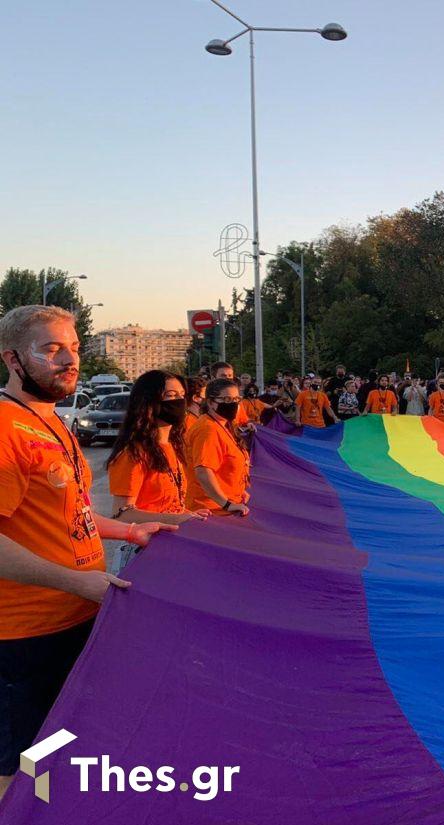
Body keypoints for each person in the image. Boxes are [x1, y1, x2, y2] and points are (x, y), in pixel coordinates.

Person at [0, 306, 176, 800]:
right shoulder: (6, 428)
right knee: (19, 764)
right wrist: (80, 582)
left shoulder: (53, 423)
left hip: (76, 616)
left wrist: (132, 535)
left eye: (74, 347)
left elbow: (69, 514)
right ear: (13, 358)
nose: (69, 360)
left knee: (53, 754)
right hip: (24, 635)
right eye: (52, 349)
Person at [107, 371, 211, 570]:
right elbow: (121, 515)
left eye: (181, 396)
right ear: (149, 402)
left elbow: (169, 505)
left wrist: (192, 516)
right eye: (170, 396)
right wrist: (178, 519)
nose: (179, 402)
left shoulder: (173, 446)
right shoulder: (134, 453)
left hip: (171, 547)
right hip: (143, 552)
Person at [184, 378, 250, 515]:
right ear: (210, 402)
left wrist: (238, 490)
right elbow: (203, 471)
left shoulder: (222, 425)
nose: (233, 403)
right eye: (226, 399)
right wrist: (226, 503)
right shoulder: (208, 430)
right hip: (210, 510)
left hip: (223, 505)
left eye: (237, 399)